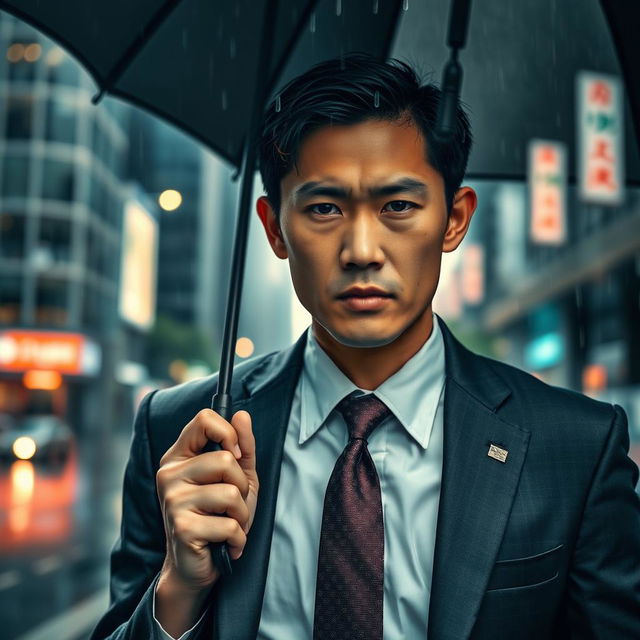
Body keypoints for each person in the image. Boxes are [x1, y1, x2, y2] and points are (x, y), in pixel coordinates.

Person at [90, 53, 640, 640]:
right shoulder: (180, 432)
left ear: (454, 220)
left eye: (398, 206)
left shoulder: (575, 447)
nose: (361, 249)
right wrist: (178, 591)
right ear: (275, 228)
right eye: (324, 208)